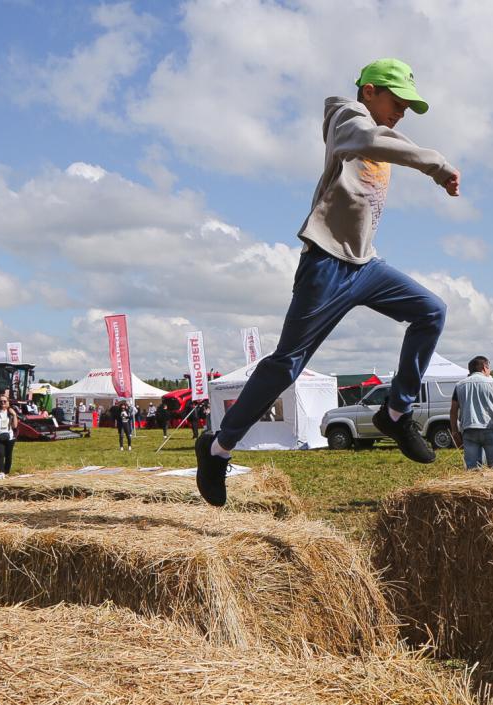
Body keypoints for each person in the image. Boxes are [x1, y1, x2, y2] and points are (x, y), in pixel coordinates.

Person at [195, 58, 460, 507]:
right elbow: (370, 138)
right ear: (371, 90)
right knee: (287, 364)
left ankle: (396, 412)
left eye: (408, 109)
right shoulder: (347, 118)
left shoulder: (380, 128)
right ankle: (218, 448)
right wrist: (435, 164)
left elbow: (384, 143)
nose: (401, 114)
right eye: (397, 103)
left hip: (365, 265)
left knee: (430, 311)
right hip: (326, 264)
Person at [450, 356, 493, 469]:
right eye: (489, 368)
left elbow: (453, 410)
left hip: (469, 429)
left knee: (473, 469)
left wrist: (454, 431)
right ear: (484, 367)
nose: (489, 371)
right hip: (490, 428)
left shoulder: (459, 385)